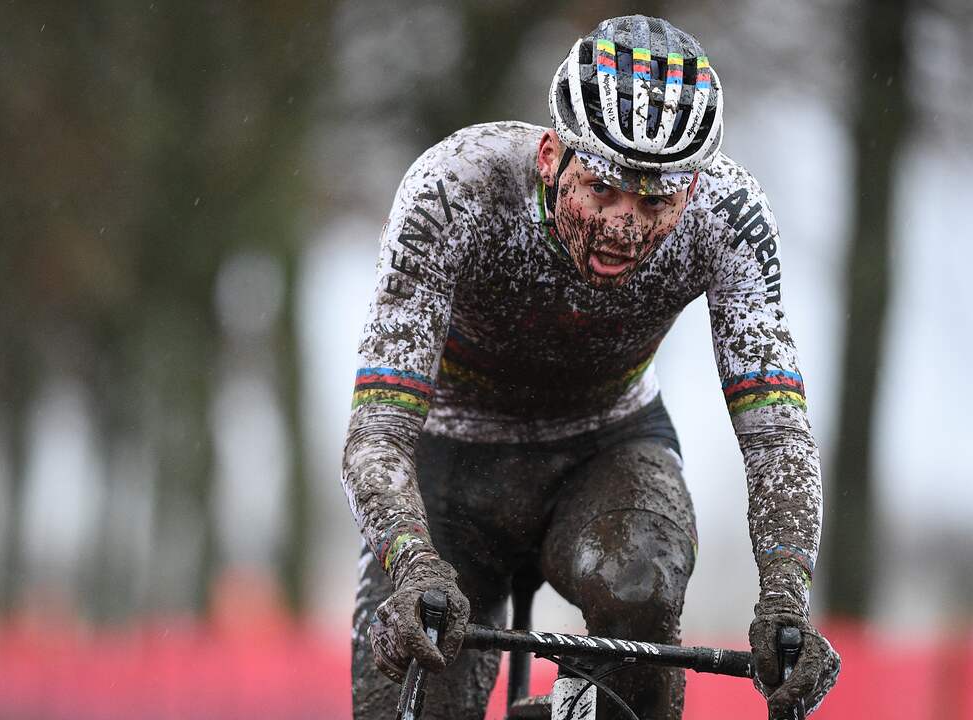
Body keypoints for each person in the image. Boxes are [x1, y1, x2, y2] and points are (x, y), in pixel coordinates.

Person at [342, 14, 840, 720]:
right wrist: (412, 561)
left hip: (605, 447)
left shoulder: (730, 219)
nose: (623, 225)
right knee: (413, 696)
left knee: (642, 585)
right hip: (449, 461)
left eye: (655, 199)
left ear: (692, 192)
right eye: (602, 188)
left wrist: (786, 599)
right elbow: (378, 429)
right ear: (551, 156)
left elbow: (778, 437)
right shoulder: (455, 188)